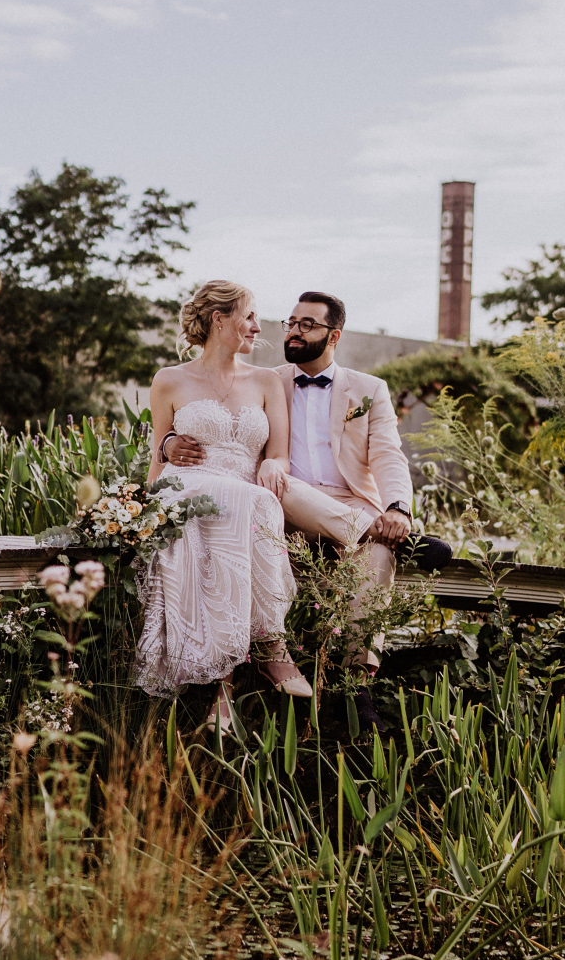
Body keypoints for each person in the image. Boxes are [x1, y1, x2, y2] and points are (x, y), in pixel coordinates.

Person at [163, 289, 418, 726]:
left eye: (307, 325)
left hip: (351, 506)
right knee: (281, 487)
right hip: (286, 503)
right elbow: (210, 411)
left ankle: (354, 688)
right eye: (291, 323)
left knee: (379, 554)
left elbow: (389, 456)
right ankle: (377, 530)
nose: (294, 331)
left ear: (333, 335)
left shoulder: (370, 390)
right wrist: (170, 443)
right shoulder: (266, 378)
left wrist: (398, 508)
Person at [136, 279, 312, 729]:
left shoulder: (268, 381)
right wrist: (158, 471)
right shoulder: (169, 380)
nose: (257, 327)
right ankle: (271, 647)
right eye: (249, 316)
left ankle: (227, 689)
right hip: (187, 488)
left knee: (247, 505)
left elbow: (278, 452)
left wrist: (274, 464)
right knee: (242, 505)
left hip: (242, 492)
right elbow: (157, 453)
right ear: (220, 319)